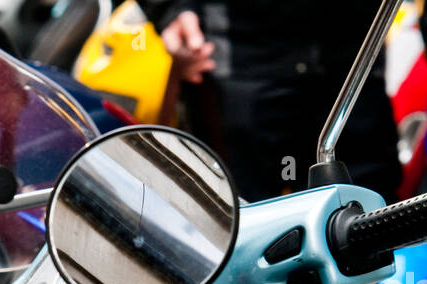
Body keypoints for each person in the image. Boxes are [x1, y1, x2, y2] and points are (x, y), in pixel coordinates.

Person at [145, 0, 402, 202]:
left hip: (352, 61)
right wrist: (172, 9)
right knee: (238, 224)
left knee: (369, 220)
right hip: (239, 63)